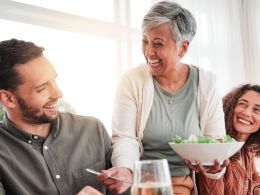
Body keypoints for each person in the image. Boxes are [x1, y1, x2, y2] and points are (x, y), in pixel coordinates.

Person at [97, 1, 227, 194]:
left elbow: (215, 143)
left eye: (158, 44)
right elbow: (125, 137)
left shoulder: (206, 83)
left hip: (182, 185)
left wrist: (214, 166)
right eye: (144, 41)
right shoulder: (132, 80)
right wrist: (126, 169)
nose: (148, 52)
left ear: (182, 48)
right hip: (141, 182)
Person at [0, 39, 112, 195]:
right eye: (42, 88)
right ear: (8, 99)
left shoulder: (92, 129)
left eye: (54, 81)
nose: (58, 94)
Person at [197, 84, 260, 195]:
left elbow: (254, 180)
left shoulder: (246, 151)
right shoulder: (215, 147)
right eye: (242, 104)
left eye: (257, 110)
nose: (246, 113)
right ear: (230, 106)